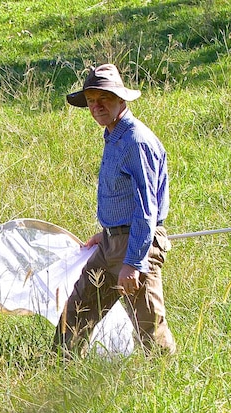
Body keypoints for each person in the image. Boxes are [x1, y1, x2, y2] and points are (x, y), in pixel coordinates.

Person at [55, 64, 176, 355]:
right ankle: (62, 373)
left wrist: (133, 262)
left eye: (104, 99)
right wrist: (107, 232)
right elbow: (126, 199)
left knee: (148, 325)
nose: (96, 106)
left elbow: (147, 209)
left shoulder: (135, 141)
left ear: (121, 100)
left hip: (135, 244)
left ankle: (161, 381)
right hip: (113, 241)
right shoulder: (114, 136)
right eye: (91, 100)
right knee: (77, 312)